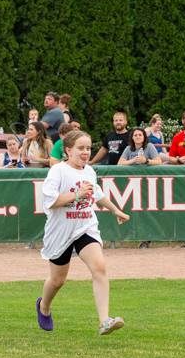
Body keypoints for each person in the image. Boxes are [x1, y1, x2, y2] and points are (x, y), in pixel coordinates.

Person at [36, 130, 130, 335]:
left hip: (85, 226)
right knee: (58, 280)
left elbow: (97, 193)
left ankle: (104, 320)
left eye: (88, 148)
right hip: (60, 232)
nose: (86, 152)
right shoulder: (58, 171)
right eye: (81, 148)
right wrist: (75, 194)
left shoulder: (89, 171)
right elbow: (50, 202)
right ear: (68, 150)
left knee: (100, 267)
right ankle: (44, 306)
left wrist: (115, 210)